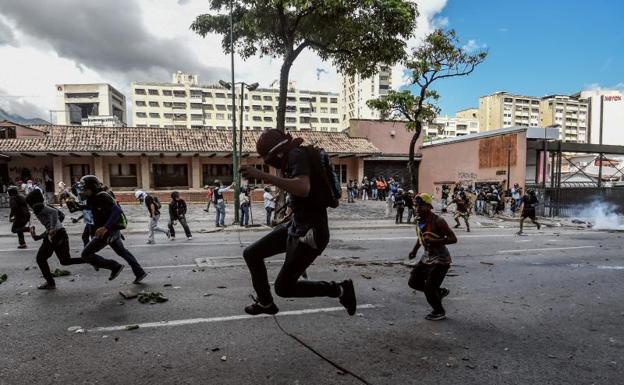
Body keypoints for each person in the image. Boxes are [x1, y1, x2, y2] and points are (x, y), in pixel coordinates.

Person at [239, 129, 356, 316]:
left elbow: (303, 188)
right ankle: (265, 303)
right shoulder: (292, 158)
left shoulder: (296, 155)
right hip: (297, 226)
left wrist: (261, 175)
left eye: (267, 157)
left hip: (311, 233)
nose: (268, 162)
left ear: (277, 151)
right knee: (252, 253)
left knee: (284, 288)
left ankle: (340, 289)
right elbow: (305, 197)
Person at [79, 175, 147, 283]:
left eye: (85, 189)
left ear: (92, 187)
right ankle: (140, 272)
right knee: (123, 252)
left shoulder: (102, 196)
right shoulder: (93, 198)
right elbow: (92, 211)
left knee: (86, 254)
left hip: (107, 233)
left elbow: (116, 211)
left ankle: (114, 266)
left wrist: (105, 228)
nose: (84, 192)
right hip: (112, 231)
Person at [408, 193, 457, 321]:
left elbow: (453, 239)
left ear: (429, 206)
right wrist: (414, 251)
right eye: (416, 205)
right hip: (426, 257)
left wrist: (435, 241)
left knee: (430, 287)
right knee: (413, 282)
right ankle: (438, 292)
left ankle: (439, 311)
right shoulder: (419, 220)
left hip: (441, 260)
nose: (417, 208)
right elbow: (421, 238)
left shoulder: (438, 221)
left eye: (421, 205)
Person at [25, 189, 87, 290]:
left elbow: (54, 213)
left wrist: (53, 228)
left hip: (56, 235)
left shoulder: (37, 207)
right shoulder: (45, 205)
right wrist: (42, 235)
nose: (29, 205)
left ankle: (50, 283)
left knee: (40, 259)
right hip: (61, 233)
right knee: (65, 260)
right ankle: (91, 260)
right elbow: (61, 216)